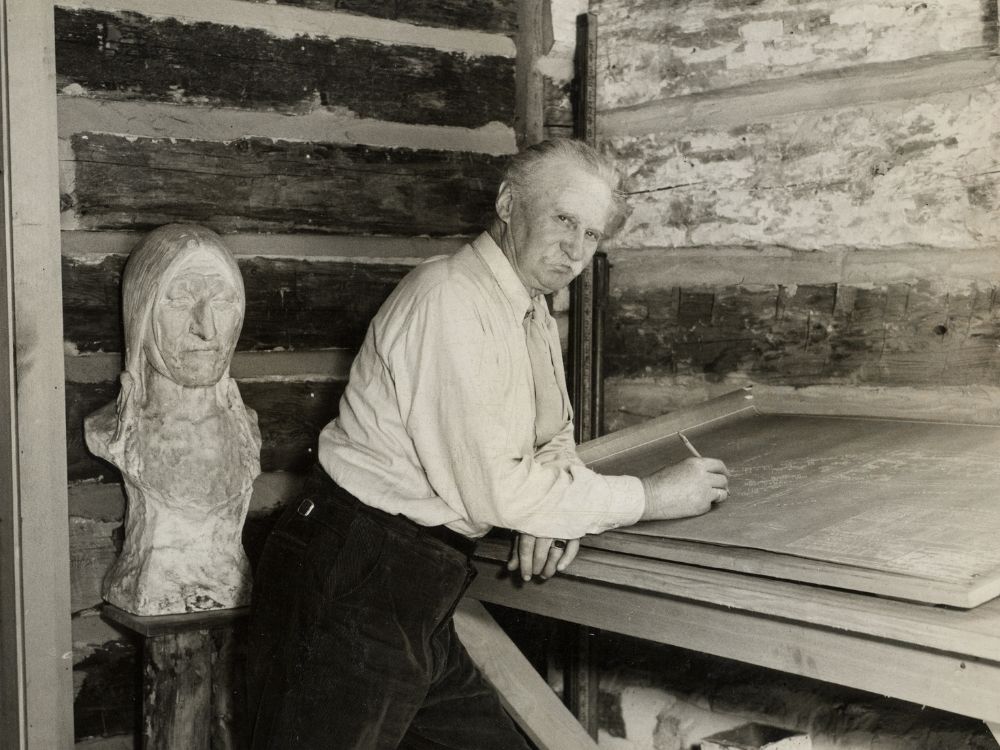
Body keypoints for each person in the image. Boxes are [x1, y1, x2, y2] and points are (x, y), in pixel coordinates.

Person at [246, 139, 729, 749]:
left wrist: (547, 515)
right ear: (507, 204)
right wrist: (651, 497)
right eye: (563, 219)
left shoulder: (528, 310)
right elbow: (496, 489)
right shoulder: (450, 299)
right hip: (356, 569)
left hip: (416, 581)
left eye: (591, 234)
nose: (575, 250)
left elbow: (552, 433)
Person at [86, 224, 261, 615]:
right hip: (149, 587)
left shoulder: (245, 429)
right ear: (141, 314)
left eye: (222, 301)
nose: (206, 329)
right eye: (180, 301)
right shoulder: (110, 431)